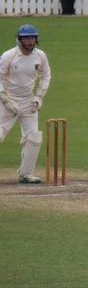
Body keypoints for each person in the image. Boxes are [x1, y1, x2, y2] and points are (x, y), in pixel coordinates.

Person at [0, 25, 52, 183]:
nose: (30, 41)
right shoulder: (9, 56)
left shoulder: (40, 56)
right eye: (26, 38)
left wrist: (39, 97)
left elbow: (46, 75)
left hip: (28, 101)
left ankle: (26, 174)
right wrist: (6, 100)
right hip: (7, 101)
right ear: (19, 39)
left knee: (34, 138)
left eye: (32, 38)